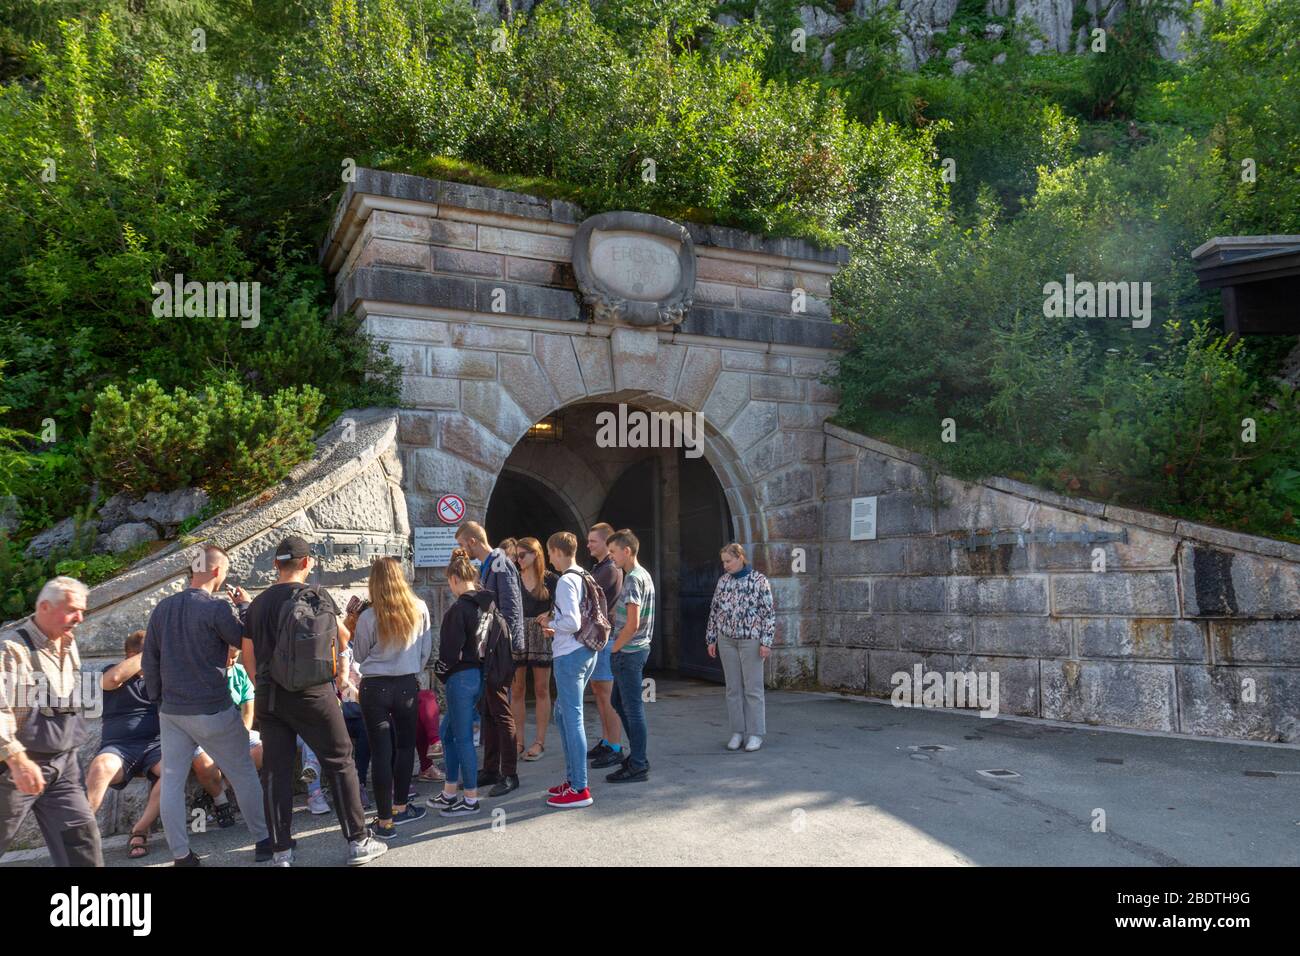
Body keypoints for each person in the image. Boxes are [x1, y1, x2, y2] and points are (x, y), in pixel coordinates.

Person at [241, 535, 386, 867]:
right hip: (314, 693)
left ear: (276, 565)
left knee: (276, 771)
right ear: (306, 563)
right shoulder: (317, 597)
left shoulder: (258, 604)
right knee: (339, 761)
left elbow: (247, 655)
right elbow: (343, 637)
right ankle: (358, 840)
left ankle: (280, 851)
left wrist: (261, 684)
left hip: (270, 696)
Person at [142, 546, 270, 866]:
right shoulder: (216, 608)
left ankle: (181, 856)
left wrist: (160, 700)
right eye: (224, 570)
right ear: (216, 572)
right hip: (212, 707)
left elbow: (149, 660)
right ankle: (264, 841)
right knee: (242, 772)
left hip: (172, 711)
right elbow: (244, 640)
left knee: (171, 780)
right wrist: (243, 605)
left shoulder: (162, 609)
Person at [0, 576, 103, 867]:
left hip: (64, 765)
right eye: (72, 610)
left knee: (81, 840)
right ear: (44, 607)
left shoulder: (68, 643)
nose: (79, 618)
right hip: (14, 766)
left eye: (82, 610)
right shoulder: (11, 649)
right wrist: (17, 761)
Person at [344, 557, 432, 838]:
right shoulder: (419, 608)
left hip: (375, 688)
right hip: (407, 684)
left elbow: (358, 655)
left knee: (381, 752)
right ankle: (401, 806)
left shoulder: (370, 616)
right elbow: (425, 651)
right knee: (405, 748)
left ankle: (384, 823)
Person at [454, 521, 523, 796]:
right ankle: (491, 769)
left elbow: (512, 607)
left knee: (501, 711)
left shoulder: (500, 563)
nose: (461, 550)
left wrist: (507, 648)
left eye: (462, 545)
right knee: (489, 711)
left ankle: (510, 774)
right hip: (487, 650)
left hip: (499, 650)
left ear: (472, 541)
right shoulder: (487, 565)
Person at [84, 629, 162, 859]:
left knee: (173, 770)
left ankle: (140, 831)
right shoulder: (111, 672)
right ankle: (80, 838)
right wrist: (146, 655)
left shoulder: (159, 676)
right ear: (130, 655)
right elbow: (113, 680)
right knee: (100, 767)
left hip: (154, 747)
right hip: (118, 748)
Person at [426, 548, 489, 817]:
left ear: (453, 579)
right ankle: (450, 791)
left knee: (461, 738)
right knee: (448, 733)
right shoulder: (486, 605)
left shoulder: (458, 609)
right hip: (479, 675)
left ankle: (471, 798)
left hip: (460, 678)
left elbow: (449, 654)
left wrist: (441, 673)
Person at [542, 532, 600, 809]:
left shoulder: (566, 580)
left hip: (569, 653)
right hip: (587, 651)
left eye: (549, 552)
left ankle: (579, 787)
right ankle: (573, 779)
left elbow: (572, 622)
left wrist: (552, 623)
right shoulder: (583, 574)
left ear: (557, 550)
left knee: (572, 718)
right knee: (563, 714)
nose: (549, 558)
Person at [705, 543, 776, 752]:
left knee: (753, 688)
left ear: (740, 558)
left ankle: (755, 733)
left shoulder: (759, 580)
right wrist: (711, 638)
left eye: (728, 561)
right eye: (723, 562)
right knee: (732, 688)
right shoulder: (723, 581)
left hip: (751, 640)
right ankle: (737, 731)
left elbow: (768, 613)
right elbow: (715, 610)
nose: (725, 565)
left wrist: (766, 642)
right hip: (726, 639)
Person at [189, 643, 265, 827]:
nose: (232, 661)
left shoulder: (240, 672)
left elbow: (248, 710)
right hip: (206, 734)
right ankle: (221, 801)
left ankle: (220, 787)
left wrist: (241, 735)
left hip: (236, 731)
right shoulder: (203, 674)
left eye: (235, 656)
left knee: (264, 750)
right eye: (228, 657)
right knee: (204, 764)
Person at [604, 530, 654, 783]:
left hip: (629, 652)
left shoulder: (634, 579)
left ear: (627, 551)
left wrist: (614, 647)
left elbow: (632, 623)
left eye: (613, 551)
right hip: (635, 650)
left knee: (632, 709)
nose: (610, 556)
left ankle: (638, 764)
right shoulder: (642, 575)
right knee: (620, 703)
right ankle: (637, 757)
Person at [585, 523, 625, 770]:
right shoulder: (600, 567)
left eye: (593, 541)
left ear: (606, 542)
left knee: (607, 695)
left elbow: (584, 594)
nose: (588, 545)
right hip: (601, 637)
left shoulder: (609, 569)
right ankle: (607, 740)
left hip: (606, 638)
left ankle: (616, 746)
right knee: (599, 693)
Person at [511, 537, 554, 762]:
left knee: (541, 689)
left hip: (540, 635)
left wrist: (550, 614)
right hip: (518, 635)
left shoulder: (550, 580)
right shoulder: (513, 579)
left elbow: (565, 606)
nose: (517, 560)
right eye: (516, 555)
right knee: (517, 690)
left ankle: (539, 741)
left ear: (535, 554)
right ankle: (518, 741)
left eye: (521, 555)